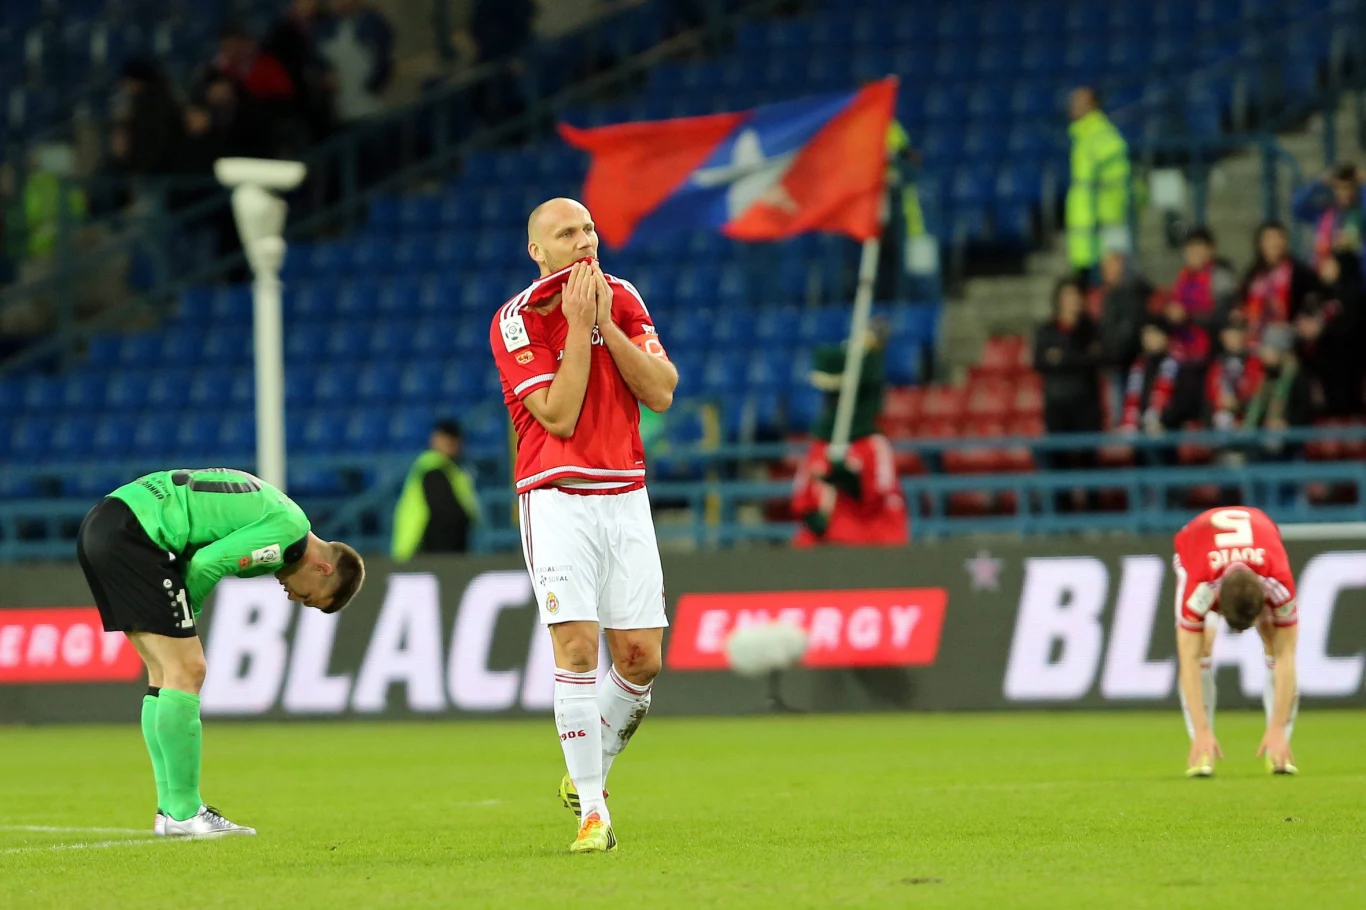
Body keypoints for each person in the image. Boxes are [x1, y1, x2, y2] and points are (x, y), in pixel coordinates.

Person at [489, 197, 678, 854]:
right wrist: (576, 327)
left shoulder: (622, 297)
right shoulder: (516, 320)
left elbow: (661, 391)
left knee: (641, 659)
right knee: (576, 648)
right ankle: (593, 814)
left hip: (625, 494)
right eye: (567, 233)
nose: (584, 240)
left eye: (590, 228)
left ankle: (585, 768)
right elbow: (560, 415)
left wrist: (606, 327)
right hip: (557, 497)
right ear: (537, 250)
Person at [75, 468, 365, 837]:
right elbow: (206, 564)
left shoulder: (283, 513)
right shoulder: (287, 534)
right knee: (189, 669)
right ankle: (185, 812)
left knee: (163, 675)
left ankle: (169, 811)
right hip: (136, 533)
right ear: (323, 568)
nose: (293, 597)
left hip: (109, 523)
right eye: (307, 596)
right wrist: (188, 614)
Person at [1172, 507, 1299, 778]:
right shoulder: (1201, 587)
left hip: (1260, 538)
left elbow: (1287, 654)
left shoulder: (1278, 580)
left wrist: (1277, 726)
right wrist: (1202, 729)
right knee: (1202, 646)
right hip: (1196, 546)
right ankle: (1201, 748)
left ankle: (1278, 749)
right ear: (1217, 605)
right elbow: (1188, 660)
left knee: (1274, 642)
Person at [791, 322, 908, 547]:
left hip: (866, 541)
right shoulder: (819, 446)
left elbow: (879, 494)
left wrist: (852, 482)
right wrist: (812, 517)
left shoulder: (874, 445)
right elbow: (803, 493)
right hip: (824, 542)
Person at [1065, 86, 1131, 289]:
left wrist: (1107, 222)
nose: (1072, 107)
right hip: (1084, 233)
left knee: (1107, 290)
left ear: (1093, 105)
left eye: (1079, 102)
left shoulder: (1103, 136)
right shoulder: (1082, 137)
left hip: (1102, 232)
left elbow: (1119, 183)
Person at [391, 418, 481, 560]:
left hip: (425, 551)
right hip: (423, 551)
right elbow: (446, 514)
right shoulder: (432, 469)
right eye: (446, 438)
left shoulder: (451, 471)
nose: (450, 444)